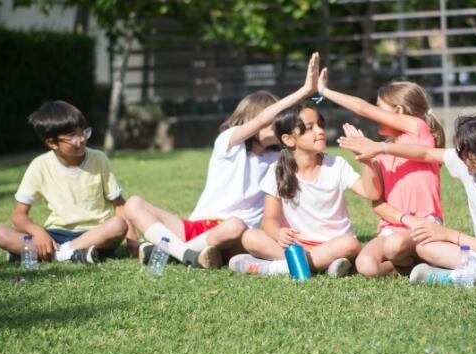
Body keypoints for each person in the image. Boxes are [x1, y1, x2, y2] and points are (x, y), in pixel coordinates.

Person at [123, 53, 321, 269]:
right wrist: (303, 91)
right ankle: (189, 255)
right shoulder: (229, 142)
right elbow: (262, 119)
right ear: (252, 120)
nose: (277, 124)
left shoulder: (279, 159)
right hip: (196, 227)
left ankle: (173, 252)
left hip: (235, 235)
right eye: (273, 119)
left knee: (235, 225)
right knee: (134, 204)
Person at [339, 114, 476, 285]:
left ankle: (455, 277)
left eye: (464, 154)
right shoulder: (471, 166)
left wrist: (450, 235)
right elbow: (425, 154)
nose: (459, 158)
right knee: (424, 247)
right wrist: (380, 147)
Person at [316, 68, 444, 277]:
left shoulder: (417, 128)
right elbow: (377, 201)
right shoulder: (379, 153)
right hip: (395, 227)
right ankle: (412, 265)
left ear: (399, 111)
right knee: (366, 265)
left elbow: (362, 108)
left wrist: (324, 91)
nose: (375, 113)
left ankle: (424, 255)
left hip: (425, 224)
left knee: (394, 246)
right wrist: (365, 157)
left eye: (380, 109)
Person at [229, 102, 381, 277]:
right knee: (250, 237)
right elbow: (269, 219)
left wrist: (365, 158)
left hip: (333, 243)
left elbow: (372, 193)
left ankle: (277, 268)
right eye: (309, 128)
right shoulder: (277, 170)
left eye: (320, 124)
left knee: (350, 244)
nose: (320, 131)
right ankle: (321, 264)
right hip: (297, 245)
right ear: (288, 139)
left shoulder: (336, 165)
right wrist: (278, 233)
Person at [0, 100, 132, 264]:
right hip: (55, 234)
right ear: (52, 143)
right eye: (72, 136)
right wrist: (38, 232)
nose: (81, 140)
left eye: (83, 132)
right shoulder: (39, 165)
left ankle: (51, 254)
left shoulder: (99, 159)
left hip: (96, 233)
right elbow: (19, 216)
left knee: (117, 225)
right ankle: (73, 254)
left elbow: (120, 205)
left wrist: (132, 240)